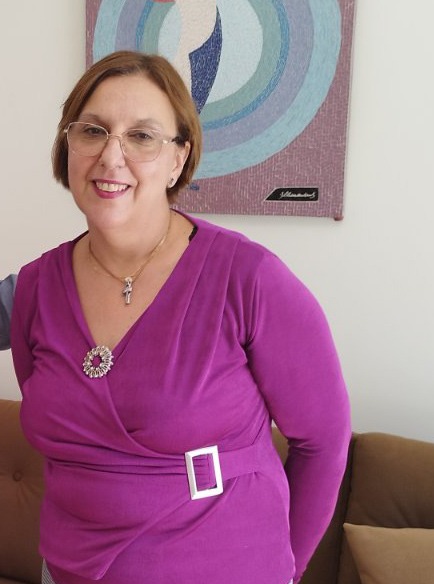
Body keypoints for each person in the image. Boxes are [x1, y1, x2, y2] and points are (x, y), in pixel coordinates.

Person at [3, 50, 350, 584]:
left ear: (178, 159)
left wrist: (285, 569)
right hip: (67, 569)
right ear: (68, 145)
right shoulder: (34, 288)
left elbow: (323, 442)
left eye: (142, 136)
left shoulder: (248, 279)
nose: (111, 157)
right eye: (92, 131)